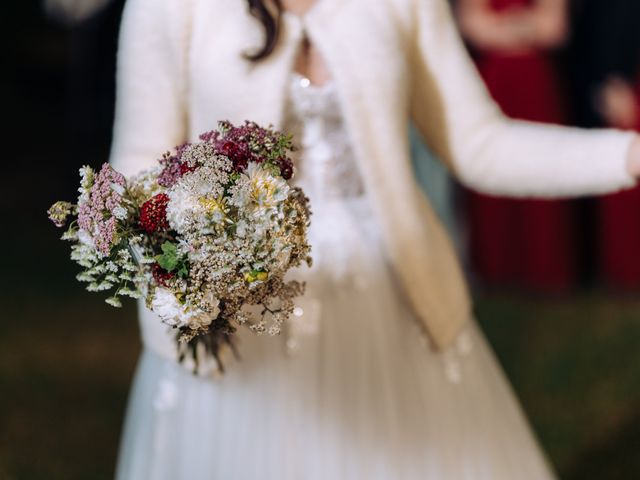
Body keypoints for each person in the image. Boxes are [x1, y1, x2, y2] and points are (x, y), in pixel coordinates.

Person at [109, 0, 640, 478]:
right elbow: (137, 169)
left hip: (389, 289)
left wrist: (625, 156)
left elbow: (480, 143)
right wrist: (191, 256)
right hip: (243, 310)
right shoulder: (169, 8)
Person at [455, 0, 575, 292]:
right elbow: (472, 26)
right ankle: (498, 269)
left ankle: (543, 270)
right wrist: (524, 25)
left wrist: (503, 28)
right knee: (491, 168)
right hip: (493, 81)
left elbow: (555, 28)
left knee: (544, 167)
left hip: (534, 80)